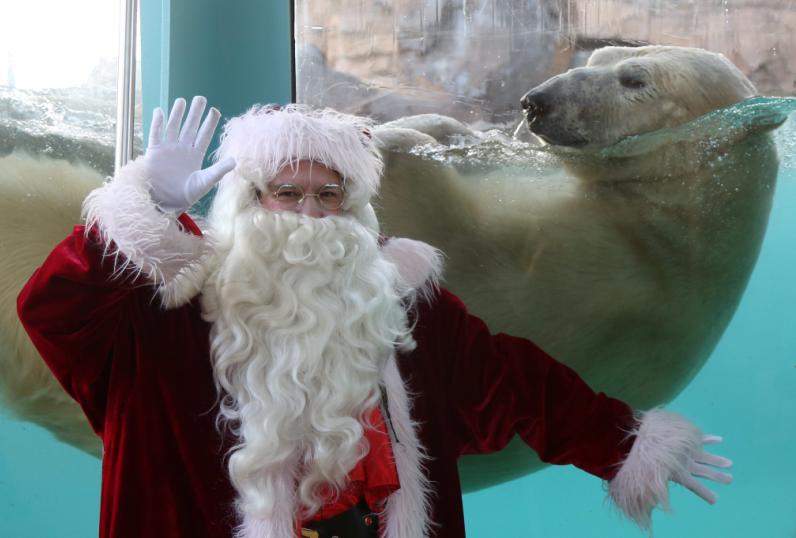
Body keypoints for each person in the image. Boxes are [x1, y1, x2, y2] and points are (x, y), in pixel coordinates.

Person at [17, 96, 732, 538]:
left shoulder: (401, 301)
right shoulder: (169, 310)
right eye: (286, 193)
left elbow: (513, 382)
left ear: (353, 208)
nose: (308, 214)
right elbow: (52, 310)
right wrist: (147, 209)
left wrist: (623, 444)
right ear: (248, 200)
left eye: (328, 196)